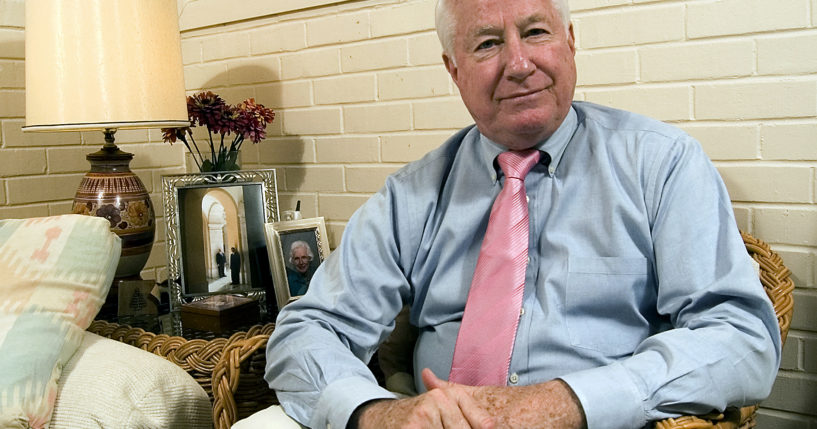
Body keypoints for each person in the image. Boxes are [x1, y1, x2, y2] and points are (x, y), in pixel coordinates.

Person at [262, 0, 781, 428]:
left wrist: (562, 403)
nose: (518, 63)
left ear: (570, 43)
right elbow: (308, 329)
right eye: (488, 43)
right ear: (453, 69)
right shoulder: (411, 195)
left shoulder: (662, 164)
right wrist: (378, 415)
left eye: (535, 32)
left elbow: (741, 338)